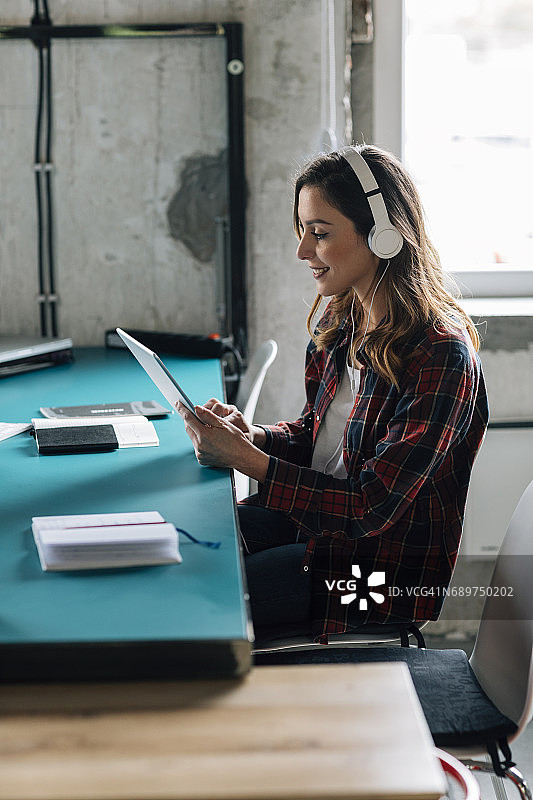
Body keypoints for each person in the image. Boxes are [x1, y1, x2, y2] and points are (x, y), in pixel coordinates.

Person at [177, 144, 489, 644]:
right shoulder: (344, 319)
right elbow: (316, 439)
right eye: (301, 230)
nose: (303, 251)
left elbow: (370, 505)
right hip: (322, 534)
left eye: (319, 234)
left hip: (380, 578)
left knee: (202, 600)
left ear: (384, 236)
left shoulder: (440, 355)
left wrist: (251, 463)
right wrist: (252, 437)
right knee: (186, 546)